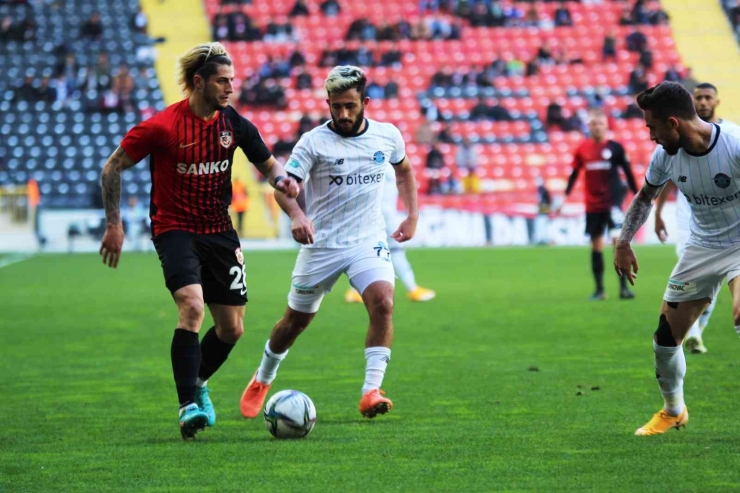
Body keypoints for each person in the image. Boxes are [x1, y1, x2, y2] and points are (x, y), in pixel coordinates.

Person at [97, 42, 299, 440]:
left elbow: (269, 163)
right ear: (198, 82)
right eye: (222, 81)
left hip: (219, 231)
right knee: (192, 306)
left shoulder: (232, 123)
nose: (230, 88)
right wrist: (114, 224)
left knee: (232, 329)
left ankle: (199, 381)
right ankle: (188, 404)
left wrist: (283, 180)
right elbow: (112, 166)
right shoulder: (162, 126)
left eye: (232, 81)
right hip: (175, 230)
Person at [239, 66, 419, 421]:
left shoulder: (387, 136)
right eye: (336, 106)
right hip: (321, 245)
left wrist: (411, 215)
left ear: (364, 102)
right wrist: (296, 214)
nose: (343, 114)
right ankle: (263, 377)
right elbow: (285, 187)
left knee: (383, 302)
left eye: (350, 106)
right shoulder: (313, 142)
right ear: (328, 104)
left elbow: (405, 172)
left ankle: (371, 390)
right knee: (294, 323)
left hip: (368, 240)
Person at [614, 82, 740, 436]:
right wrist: (624, 242)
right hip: (701, 247)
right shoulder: (666, 155)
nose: (651, 136)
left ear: (673, 123)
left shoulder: (734, 145)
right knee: (665, 340)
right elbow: (644, 198)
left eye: (652, 127)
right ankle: (673, 411)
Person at [654, 83, 740, 354]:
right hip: (692, 216)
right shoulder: (676, 142)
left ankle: (696, 330)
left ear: (717, 101)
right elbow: (666, 175)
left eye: (708, 97)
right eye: (698, 97)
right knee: (697, 276)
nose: (703, 102)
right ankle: (694, 331)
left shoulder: (732, 137)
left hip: (732, 228)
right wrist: (657, 213)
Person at [557, 110, 639, 300]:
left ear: (606, 125)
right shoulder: (582, 149)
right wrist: (564, 197)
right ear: (589, 126)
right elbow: (574, 174)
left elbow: (628, 173)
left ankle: (624, 288)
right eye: (594, 124)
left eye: (600, 123)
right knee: (596, 246)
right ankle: (600, 290)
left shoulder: (616, 148)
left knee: (618, 244)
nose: (597, 127)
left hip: (613, 204)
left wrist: (638, 196)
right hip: (592, 206)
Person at [345, 163, 435, 304]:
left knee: (365, 252)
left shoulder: (374, 162)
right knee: (395, 250)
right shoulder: (386, 164)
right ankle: (412, 289)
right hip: (383, 216)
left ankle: (355, 291)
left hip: (371, 215)